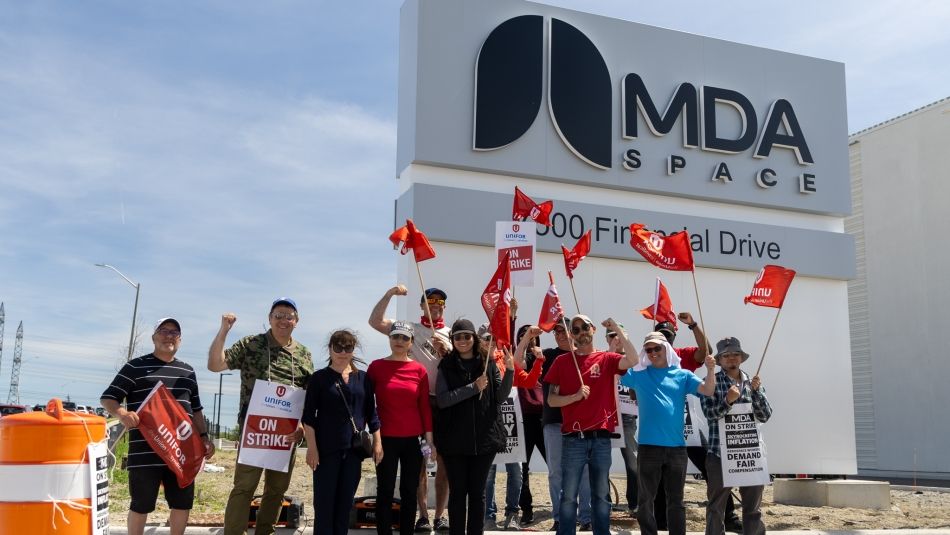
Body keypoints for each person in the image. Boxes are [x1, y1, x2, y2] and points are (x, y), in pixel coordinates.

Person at [209, 298, 315, 535]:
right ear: (269, 318)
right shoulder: (251, 344)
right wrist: (224, 331)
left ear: (296, 321)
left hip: (286, 436)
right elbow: (215, 365)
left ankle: (264, 531)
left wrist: (301, 429)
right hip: (254, 432)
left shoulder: (304, 355)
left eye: (288, 316)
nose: (283, 320)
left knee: (276, 491)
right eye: (278, 315)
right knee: (244, 488)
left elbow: (309, 397)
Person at [101, 318, 214, 535]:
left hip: (180, 452)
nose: (169, 336)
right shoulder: (134, 367)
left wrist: (204, 437)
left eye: (174, 333)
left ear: (180, 339)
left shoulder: (188, 372)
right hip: (145, 452)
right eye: (164, 331)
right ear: (154, 337)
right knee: (140, 504)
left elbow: (196, 409)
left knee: (182, 504)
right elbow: (108, 398)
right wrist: (122, 413)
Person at [611, 324, 716, 535]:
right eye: (648, 350)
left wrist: (711, 369)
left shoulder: (683, 374)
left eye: (656, 348)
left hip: (677, 448)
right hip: (649, 447)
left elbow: (708, 390)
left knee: (676, 501)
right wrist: (615, 346)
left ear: (666, 349)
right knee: (645, 499)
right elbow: (614, 370)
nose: (653, 353)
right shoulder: (638, 374)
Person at [545, 315, 638, 535]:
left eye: (584, 327)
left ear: (593, 329)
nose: (581, 332)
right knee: (568, 495)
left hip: (601, 439)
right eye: (575, 330)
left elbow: (633, 359)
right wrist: (575, 397)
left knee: (601, 495)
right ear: (571, 335)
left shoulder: (607, 358)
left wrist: (615, 327)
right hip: (573, 438)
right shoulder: (562, 362)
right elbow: (551, 400)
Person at [370, 285, 452, 532]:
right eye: (429, 302)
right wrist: (389, 294)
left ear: (444, 307)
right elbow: (375, 321)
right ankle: (423, 516)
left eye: (439, 303)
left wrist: (447, 352)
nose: (434, 306)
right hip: (419, 403)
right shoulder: (409, 330)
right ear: (421, 305)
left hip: (445, 404)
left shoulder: (451, 333)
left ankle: (440, 515)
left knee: (443, 465)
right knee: (417, 469)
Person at [655, 315, 740, 531]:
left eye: (668, 336)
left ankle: (728, 515)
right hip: (663, 430)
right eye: (661, 335)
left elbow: (706, 350)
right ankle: (661, 520)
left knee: (711, 470)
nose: (665, 340)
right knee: (660, 474)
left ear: (674, 337)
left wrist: (693, 325)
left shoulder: (682, 355)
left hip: (689, 427)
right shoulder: (650, 357)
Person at [435, 319, 514, 535]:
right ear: (452, 339)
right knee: (458, 492)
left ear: (474, 338)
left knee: (478, 492)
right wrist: (473, 387)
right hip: (454, 440)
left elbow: (500, 396)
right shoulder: (446, 365)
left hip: (484, 438)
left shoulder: (487, 363)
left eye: (467, 336)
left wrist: (509, 371)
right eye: (458, 336)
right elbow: (442, 400)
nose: (462, 340)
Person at [302, 329, 383, 535]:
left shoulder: (363, 378)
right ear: (330, 349)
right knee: (324, 504)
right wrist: (311, 448)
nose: (342, 352)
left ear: (353, 350)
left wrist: (378, 442)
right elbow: (309, 417)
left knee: (345, 505)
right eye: (338, 347)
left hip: (354, 452)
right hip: (326, 451)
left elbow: (371, 414)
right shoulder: (319, 378)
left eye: (348, 347)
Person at [367, 321, 435, 535]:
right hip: (385, 439)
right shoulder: (376, 367)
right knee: (385, 490)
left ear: (411, 343)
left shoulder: (419, 370)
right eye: (395, 336)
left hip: (413, 441)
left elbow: (424, 407)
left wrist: (430, 441)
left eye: (405, 338)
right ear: (389, 339)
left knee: (409, 490)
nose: (399, 341)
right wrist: (374, 438)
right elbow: (368, 405)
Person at [702, 337, 773, 535]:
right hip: (719, 454)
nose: (731, 358)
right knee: (716, 507)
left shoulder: (753, 382)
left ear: (741, 357)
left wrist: (757, 392)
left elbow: (765, 415)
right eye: (726, 355)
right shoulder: (710, 382)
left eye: (735, 354)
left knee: (753, 508)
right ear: (719, 359)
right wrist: (727, 401)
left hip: (750, 454)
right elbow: (709, 414)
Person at [479, 322, 543, 531]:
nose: (490, 343)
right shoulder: (476, 363)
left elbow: (528, 380)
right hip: (487, 425)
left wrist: (539, 362)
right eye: (485, 339)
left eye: (493, 339)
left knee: (515, 471)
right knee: (488, 473)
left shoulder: (505, 358)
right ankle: (488, 515)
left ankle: (512, 514)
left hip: (511, 423)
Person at [541, 318, 592, 532]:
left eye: (564, 330)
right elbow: (517, 362)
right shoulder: (546, 355)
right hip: (553, 421)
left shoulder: (582, 354)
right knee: (556, 472)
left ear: (573, 332)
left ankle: (586, 517)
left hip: (580, 422)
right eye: (556, 331)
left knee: (584, 471)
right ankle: (560, 517)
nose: (560, 334)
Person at [515, 324, 547, 525]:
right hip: (523, 419)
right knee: (522, 469)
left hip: (544, 419)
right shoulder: (517, 360)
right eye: (524, 336)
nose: (529, 339)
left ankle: (562, 508)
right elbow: (519, 362)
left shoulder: (545, 358)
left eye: (533, 336)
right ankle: (526, 509)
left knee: (554, 465)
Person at [606, 322, 639, 517]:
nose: (615, 339)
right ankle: (605, 503)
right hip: (606, 417)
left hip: (626, 417)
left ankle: (634, 503)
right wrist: (611, 349)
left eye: (619, 335)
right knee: (603, 462)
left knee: (632, 461)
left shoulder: (634, 361)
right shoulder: (603, 356)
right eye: (611, 335)